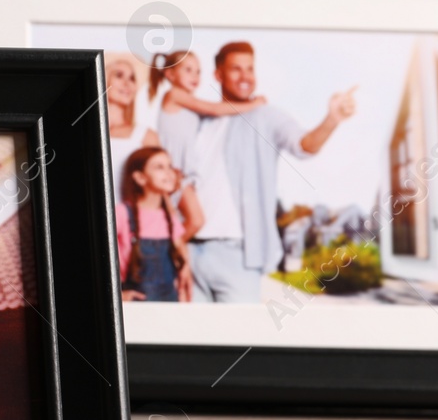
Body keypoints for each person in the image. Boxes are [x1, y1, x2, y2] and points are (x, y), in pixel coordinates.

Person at [184, 41, 356, 303]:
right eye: (236, 69)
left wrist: (332, 119)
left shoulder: (266, 116)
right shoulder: (201, 120)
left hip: (237, 255)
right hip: (190, 252)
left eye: (250, 69)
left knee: (237, 340)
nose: (245, 77)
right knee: (190, 341)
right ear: (218, 75)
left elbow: (305, 145)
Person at [150, 49, 268, 227]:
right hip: (173, 169)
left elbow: (217, 113)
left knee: (174, 222)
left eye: (198, 71)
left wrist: (243, 103)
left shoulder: (189, 103)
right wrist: (253, 104)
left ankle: (173, 250)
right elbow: (214, 109)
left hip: (182, 172)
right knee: (195, 221)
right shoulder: (174, 95)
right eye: (188, 70)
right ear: (171, 74)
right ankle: (173, 252)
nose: (195, 76)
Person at [116, 147, 190, 302]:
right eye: (159, 167)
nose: (169, 172)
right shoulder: (122, 213)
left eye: (170, 166)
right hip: (136, 304)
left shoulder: (169, 217)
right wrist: (117, 296)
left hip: (169, 302)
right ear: (140, 177)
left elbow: (181, 256)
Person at [105, 53, 159, 193]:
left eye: (132, 78)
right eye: (119, 75)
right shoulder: (84, 132)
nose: (127, 83)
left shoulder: (146, 137)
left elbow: (159, 191)